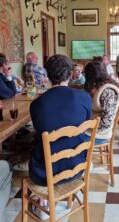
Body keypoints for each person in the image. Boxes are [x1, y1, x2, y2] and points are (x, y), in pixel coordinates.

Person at [29, 54, 92, 219]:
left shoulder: (36, 104)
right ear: (71, 74)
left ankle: (45, 202)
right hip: (77, 166)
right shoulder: (84, 97)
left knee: (36, 147)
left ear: (48, 76)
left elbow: (40, 130)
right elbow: (85, 125)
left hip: (46, 174)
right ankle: (52, 201)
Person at [83, 61, 119, 144]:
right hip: (91, 129)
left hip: (99, 135)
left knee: (71, 139)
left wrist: (87, 127)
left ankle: (83, 156)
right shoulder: (97, 86)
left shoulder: (107, 91)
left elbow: (107, 121)